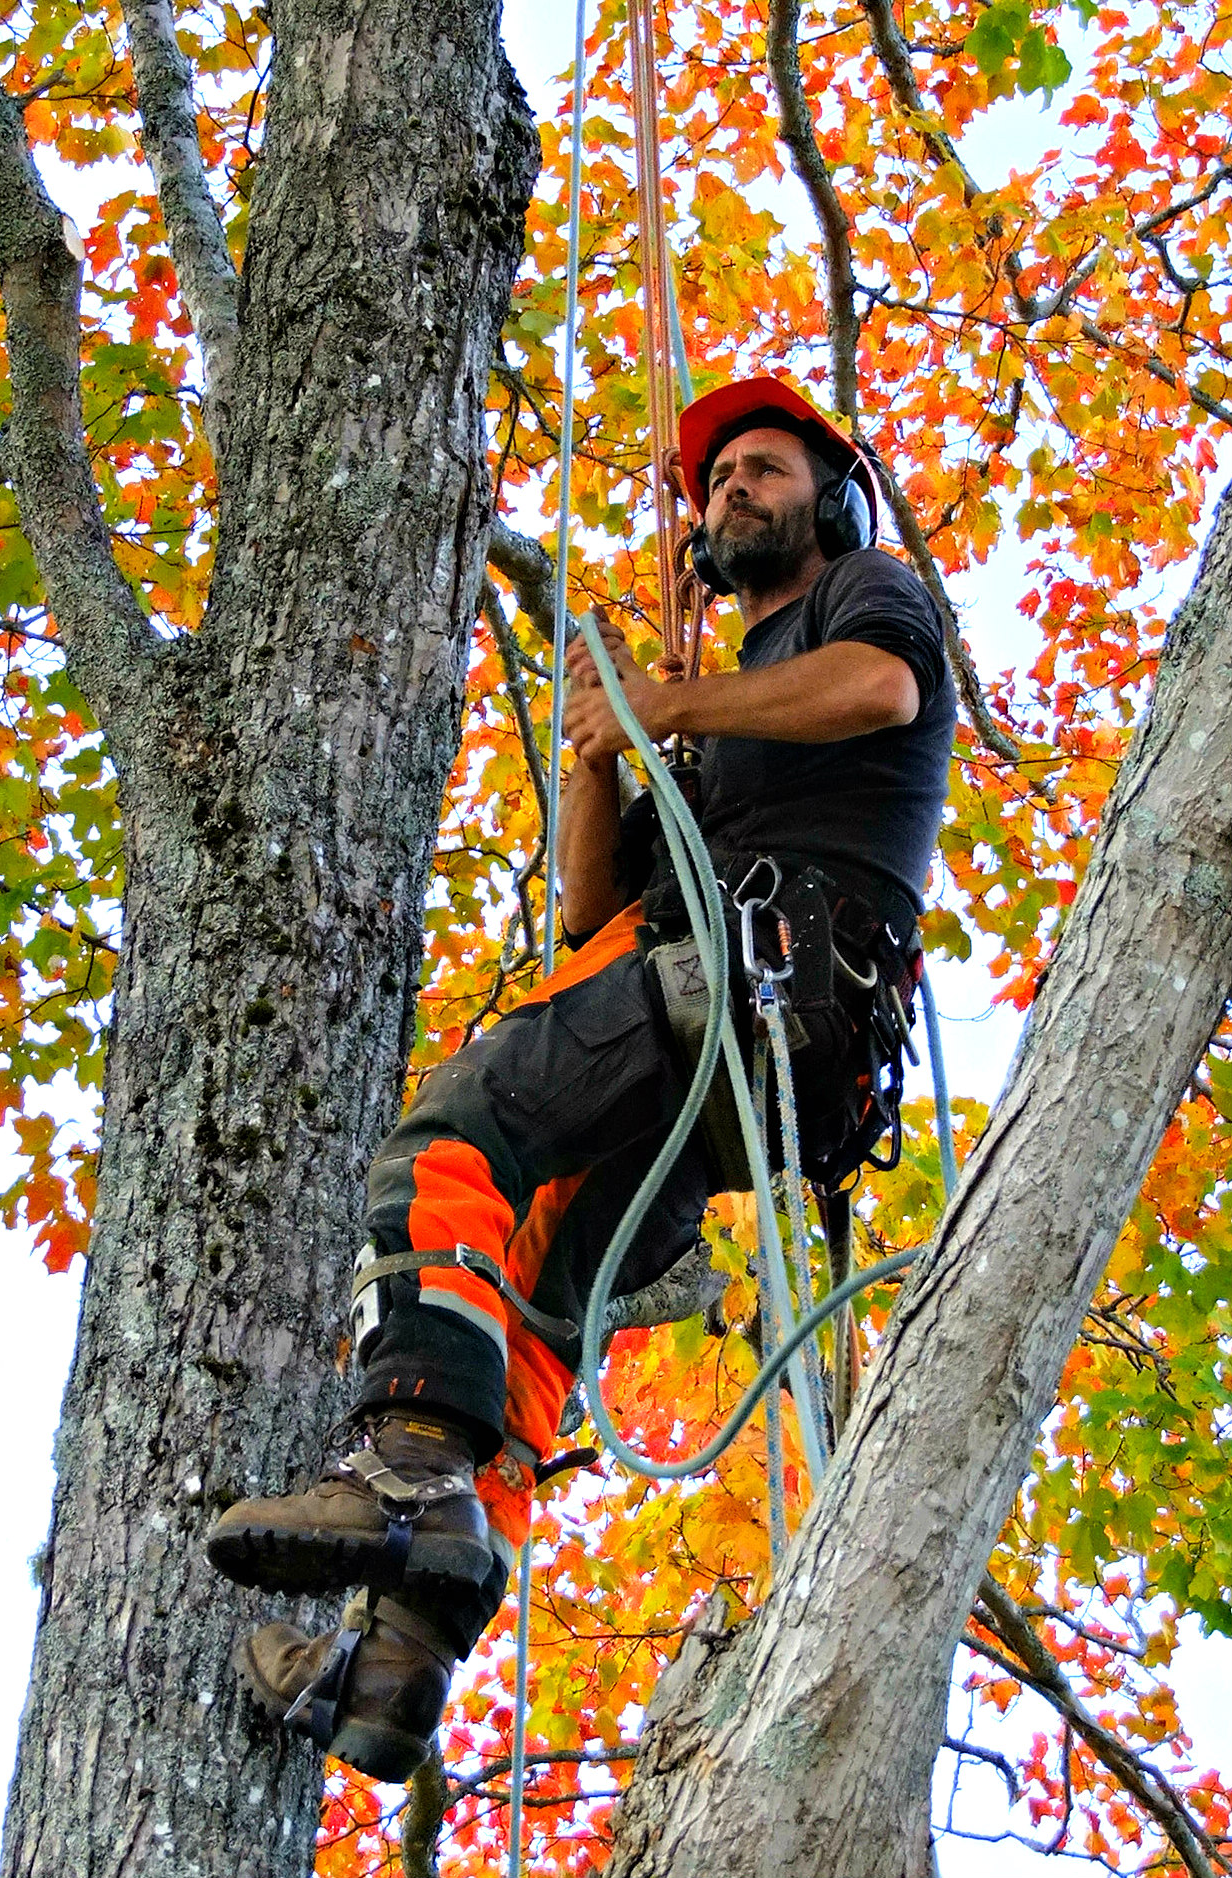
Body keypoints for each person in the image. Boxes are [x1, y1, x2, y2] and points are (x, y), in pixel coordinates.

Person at [206, 377, 957, 1781]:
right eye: (717, 480)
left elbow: (882, 690)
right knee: (540, 1301)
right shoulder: (718, 721)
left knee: (442, 1143)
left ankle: (405, 1465)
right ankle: (396, 1658)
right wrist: (603, 748)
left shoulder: (865, 593)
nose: (732, 489)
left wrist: (672, 694)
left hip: (761, 978)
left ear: (829, 494)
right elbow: (582, 919)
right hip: (720, 1029)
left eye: (761, 468)